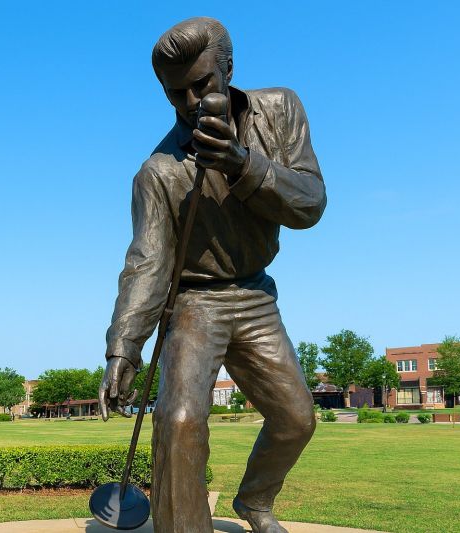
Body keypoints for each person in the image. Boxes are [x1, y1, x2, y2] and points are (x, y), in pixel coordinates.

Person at [98, 17, 326, 533]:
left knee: (295, 418)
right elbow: (147, 264)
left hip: (255, 295)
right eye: (175, 93)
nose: (190, 102)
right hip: (194, 303)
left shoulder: (280, 110)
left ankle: (255, 501)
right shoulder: (157, 172)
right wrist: (123, 348)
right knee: (178, 423)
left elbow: (310, 204)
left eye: (201, 84)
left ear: (229, 70)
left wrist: (242, 165)